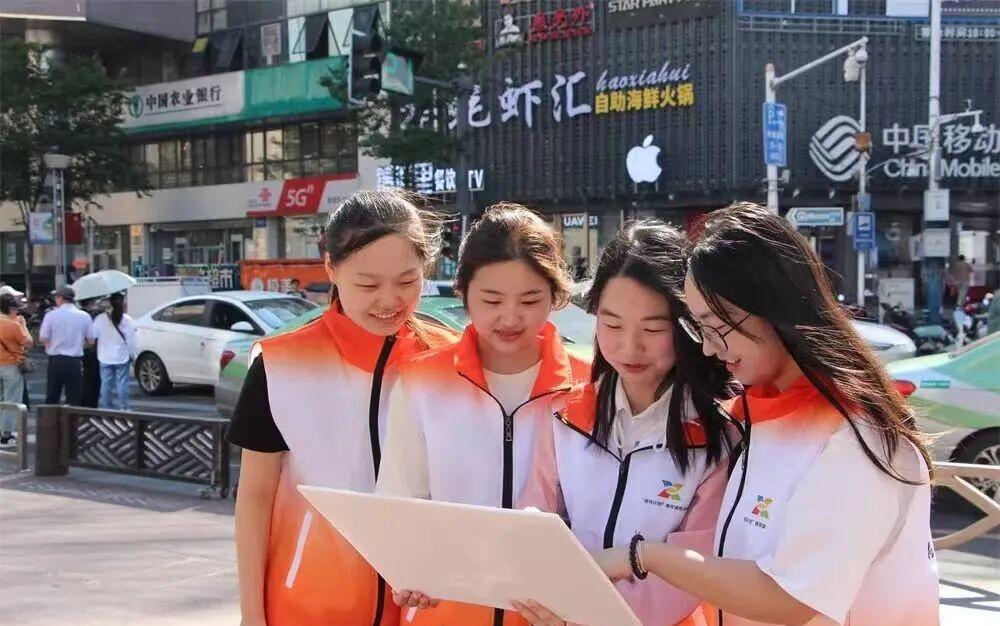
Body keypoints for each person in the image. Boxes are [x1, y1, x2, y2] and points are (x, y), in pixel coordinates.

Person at [579, 203, 938, 626]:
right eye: (698, 329)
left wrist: (642, 556)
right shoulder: (763, 417)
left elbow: (792, 597)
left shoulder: (854, 436)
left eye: (716, 327)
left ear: (774, 308)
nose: (707, 347)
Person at [226, 190, 456, 626]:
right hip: (306, 608)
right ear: (331, 268)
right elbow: (255, 497)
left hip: (426, 610)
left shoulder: (450, 358)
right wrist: (251, 614)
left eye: (407, 281)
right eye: (368, 285)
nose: (389, 300)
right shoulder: (280, 364)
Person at [513, 222, 738, 626]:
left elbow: (694, 565)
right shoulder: (563, 413)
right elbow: (538, 514)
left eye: (653, 328)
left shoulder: (718, 438)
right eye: (612, 324)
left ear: (688, 327)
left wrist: (593, 615)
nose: (629, 346)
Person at [377, 203, 591, 626]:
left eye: (530, 300)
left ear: (555, 296)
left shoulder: (587, 385)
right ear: (463, 292)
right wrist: (408, 568)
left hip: (549, 614)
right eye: (492, 300)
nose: (510, 317)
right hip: (444, 610)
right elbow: (399, 499)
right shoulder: (420, 380)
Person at [39, 286, 94, 406]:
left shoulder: (51, 315)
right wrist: (79, 344)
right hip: (75, 361)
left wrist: (51, 345)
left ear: (61, 298)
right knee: (74, 397)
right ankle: (72, 418)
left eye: (56, 297)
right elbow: (91, 341)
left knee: (52, 396)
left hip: (55, 360)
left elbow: (43, 338)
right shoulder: (84, 316)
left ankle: (51, 418)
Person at [91, 292, 137, 410]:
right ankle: (124, 407)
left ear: (110, 303)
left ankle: (107, 408)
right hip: (122, 356)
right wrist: (132, 354)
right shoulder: (127, 319)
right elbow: (131, 340)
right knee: (122, 383)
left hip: (104, 356)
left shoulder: (100, 318)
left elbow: (93, 336)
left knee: (106, 383)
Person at [0, 293, 32, 447]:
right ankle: (6, 436)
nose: (18, 312)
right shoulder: (14, 325)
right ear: (10, 309)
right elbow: (28, 343)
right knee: (12, 400)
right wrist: (23, 325)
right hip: (11, 365)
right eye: (16, 309)